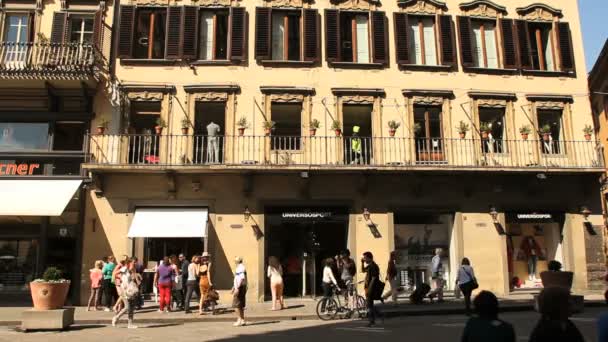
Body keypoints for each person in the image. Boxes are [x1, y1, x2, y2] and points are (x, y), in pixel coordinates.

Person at [112, 258, 142, 329]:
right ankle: (116, 318)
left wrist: (137, 282)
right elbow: (115, 273)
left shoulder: (133, 270)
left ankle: (130, 324)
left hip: (131, 290)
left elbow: (136, 280)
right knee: (127, 307)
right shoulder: (124, 269)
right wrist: (119, 279)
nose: (135, 264)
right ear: (130, 262)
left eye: (136, 262)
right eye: (134, 262)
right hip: (124, 290)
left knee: (131, 307)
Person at [362, 251, 381, 327]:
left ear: (369, 258)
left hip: (371, 288)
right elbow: (363, 270)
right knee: (370, 305)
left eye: (365, 258)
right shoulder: (370, 266)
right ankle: (378, 315)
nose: (364, 259)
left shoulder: (373, 266)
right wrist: (362, 263)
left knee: (369, 305)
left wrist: (369, 289)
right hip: (368, 288)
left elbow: (373, 278)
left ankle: (371, 321)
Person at [232, 256, 247, 327]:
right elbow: (237, 278)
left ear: (237, 261)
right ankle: (242, 320)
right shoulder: (241, 267)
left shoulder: (240, 268)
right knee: (240, 305)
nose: (234, 262)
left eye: (235, 261)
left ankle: (239, 320)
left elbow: (242, 278)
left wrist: (237, 288)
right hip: (241, 287)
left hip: (240, 287)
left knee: (236, 305)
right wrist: (233, 287)